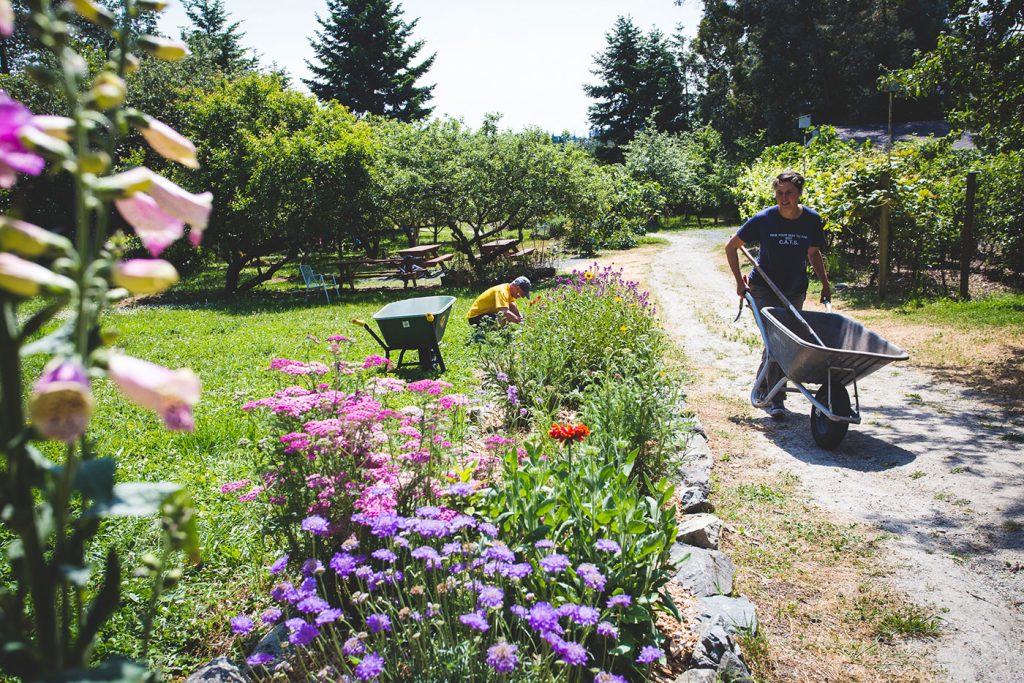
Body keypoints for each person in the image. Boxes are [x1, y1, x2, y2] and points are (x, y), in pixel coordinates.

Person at [725, 170, 831, 420]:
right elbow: (731, 246)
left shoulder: (812, 220)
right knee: (777, 342)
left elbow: (813, 253)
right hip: (764, 287)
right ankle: (776, 399)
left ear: (799, 194)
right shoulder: (764, 219)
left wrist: (825, 284)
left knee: (786, 341)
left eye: (789, 193)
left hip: (794, 288)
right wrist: (739, 282)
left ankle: (764, 387)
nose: (784, 198)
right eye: (779, 193)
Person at [466, 276, 531, 327]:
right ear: (517, 288)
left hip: (487, 315)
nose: (522, 297)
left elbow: (513, 307)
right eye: (522, 294)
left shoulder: (509, 293)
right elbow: (504, 312)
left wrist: (522, 319)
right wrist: (520, 321)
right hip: (475, 317)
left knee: (508, 316)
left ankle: (504, 334)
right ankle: (482, 336)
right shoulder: (502, 291)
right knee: (503, 318)